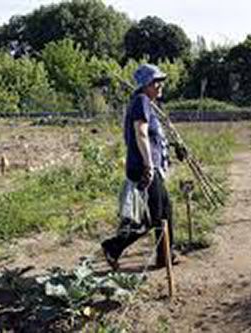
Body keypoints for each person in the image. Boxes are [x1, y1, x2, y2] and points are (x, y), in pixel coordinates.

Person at [101, 64, 186, 270]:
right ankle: (113, 247)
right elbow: (141, 133)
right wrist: (149, 165)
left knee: (163, 211)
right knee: (153, 216)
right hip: (144, 168)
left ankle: (165, 254)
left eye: (160, 81)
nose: (159, 85)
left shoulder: (147, 103)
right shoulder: (140, 101)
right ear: (145, 85)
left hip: (149, 166)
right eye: (155, 82)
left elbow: (155, 137)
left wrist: (175, 147)